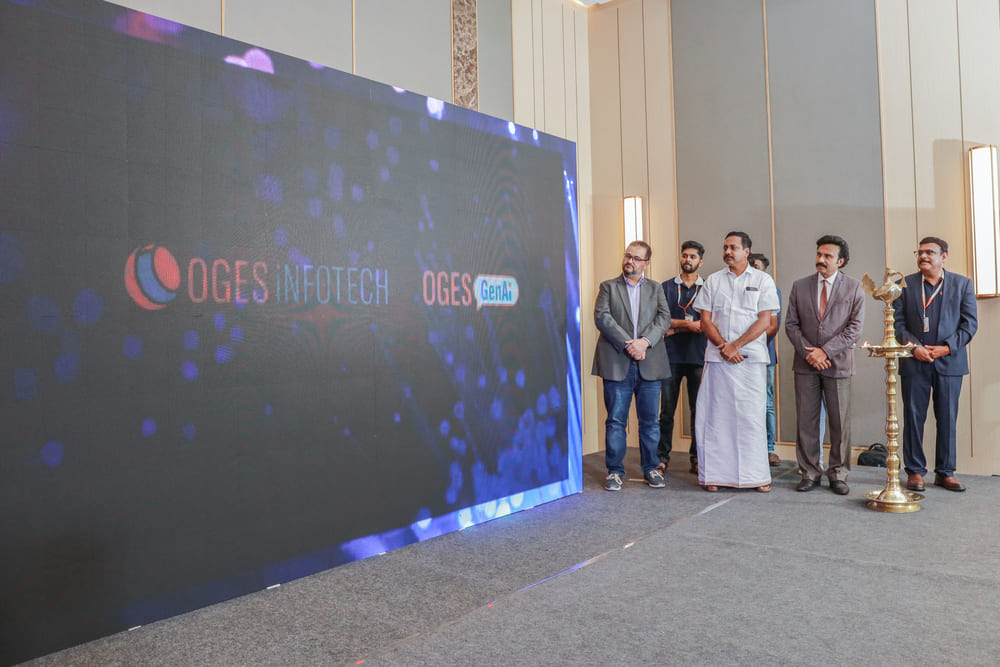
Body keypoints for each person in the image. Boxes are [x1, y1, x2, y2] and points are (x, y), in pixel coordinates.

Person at [693, 232, 779, 492]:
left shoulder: (763, 280)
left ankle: (757, 477)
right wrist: (724, 346)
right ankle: (714, 476)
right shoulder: (713, 281)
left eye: (733, 247)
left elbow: (765, 321)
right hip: (718, 359)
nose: (728, 252)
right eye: (725, 247)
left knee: (751, 419)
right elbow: (705, 320)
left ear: (746, 251)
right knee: (716, 418)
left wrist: (736, 346)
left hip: (750, 361)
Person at [893, 237, 978, 493]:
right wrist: (914, 347)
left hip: (949, 361)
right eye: (920, 252)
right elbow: (897, 324)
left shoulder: (962, 284)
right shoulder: (903, 285)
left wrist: (947, 347)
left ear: (944, 256)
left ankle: (945, 472)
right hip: (914, 361)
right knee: (913, 416)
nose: (924, 256)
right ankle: (915, 472)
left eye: (930, 252)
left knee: (948, 417)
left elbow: (969, 324)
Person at [784, 235, 866, 495]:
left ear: (841, 261)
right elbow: (791, 325)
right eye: (819, 254)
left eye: (828, 256)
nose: (821, 259)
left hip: (838, 364)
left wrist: (825, 352)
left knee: (840, 423)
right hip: (806, 363)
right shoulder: (800, 286)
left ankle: (838, 473)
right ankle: (809, 472)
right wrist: (810, 353)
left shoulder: (854, 287)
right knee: (806, 421)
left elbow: (854, 329)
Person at [593, 241, 671, 491]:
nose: (630, 261)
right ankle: (615, 471)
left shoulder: (656, 288)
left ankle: (651, 468)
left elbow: (664, 318)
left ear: (646, 263)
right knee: (616, 421)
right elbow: (602, 317)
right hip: (617, 363)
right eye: (628, 256)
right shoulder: (608, 287)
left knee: (650, 422)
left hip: (650, 364)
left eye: (636, 258)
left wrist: (644, 342)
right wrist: (630, 344)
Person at [657, 241, 706, 476]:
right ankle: (661, 458)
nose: (688, 260)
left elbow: (708, 323)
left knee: (698, 411)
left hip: (698, 356)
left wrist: (675, 328)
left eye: (693, 256)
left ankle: (697, 458)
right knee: (667, 411)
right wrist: (688, 325)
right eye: (685, 255)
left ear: (700, 262)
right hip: (670, 357)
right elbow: (660, 320)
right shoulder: (666, 287)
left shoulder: (708, 288)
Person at [749, 253, 782, 467]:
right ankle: (749, 447)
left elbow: (772, 326)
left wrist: (748, 342)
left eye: (757, 266)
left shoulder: (771, 289)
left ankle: (769, 448)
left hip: (764, 354)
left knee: (766, 402)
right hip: (738, 356)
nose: (752, 269)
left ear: (765, 270)